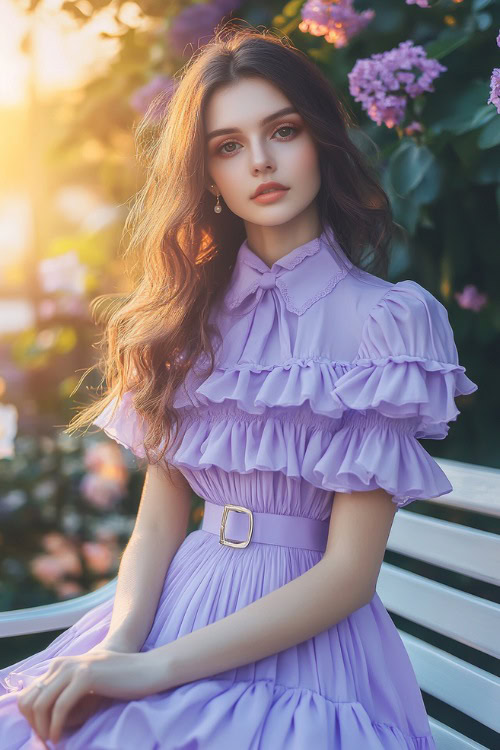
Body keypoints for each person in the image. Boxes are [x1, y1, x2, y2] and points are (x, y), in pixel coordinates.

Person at [0, 24, 478, 749]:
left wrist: (155, 670)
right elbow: (159, 524)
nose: (260, 161)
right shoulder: (184, 319)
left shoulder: (388, 321)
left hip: (304, 644)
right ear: (208, 174)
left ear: (319, 139)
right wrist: (118, 649)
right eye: (228, 146)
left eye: (282, 131)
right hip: (174, 610)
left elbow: (348, 575)